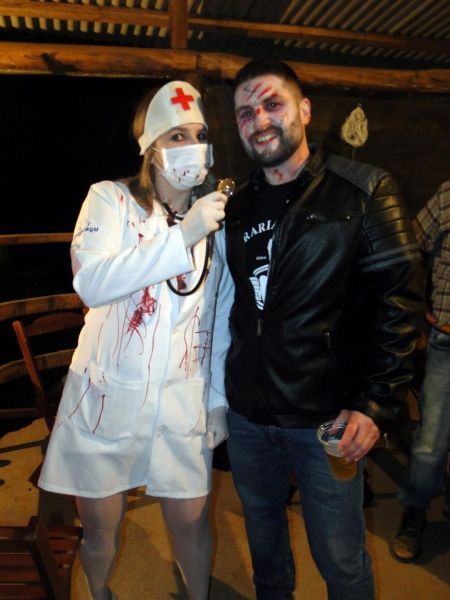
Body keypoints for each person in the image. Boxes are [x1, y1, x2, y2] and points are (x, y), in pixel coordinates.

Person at [223, 58, 424, 599]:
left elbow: (401, 302)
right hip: (248, 416)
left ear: (305, 110)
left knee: (340, 559)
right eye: (245, 113)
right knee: (264, 549)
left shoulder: (365, 188)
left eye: (272, 104)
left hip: (327, 419)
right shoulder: (236, 205)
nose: (259, 121)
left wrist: (376, 404)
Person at [38, 80, 233, 600]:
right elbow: (92, 283)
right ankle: (99, 592)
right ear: (151, 146)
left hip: (182, 400)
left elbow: (218, 318)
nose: (192, 146)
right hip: (107, 396)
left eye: (200, 135)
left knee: (192, 523)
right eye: (176, 136)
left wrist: (217, 399)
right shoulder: (110, 200)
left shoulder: (215, 219)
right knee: (101, 529)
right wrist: (182, 236)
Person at [390, 180, 450, 562]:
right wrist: (419, 308)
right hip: (447, 341)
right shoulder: (447, 195)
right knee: (431, 441)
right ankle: (415, 510)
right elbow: (409, 247)